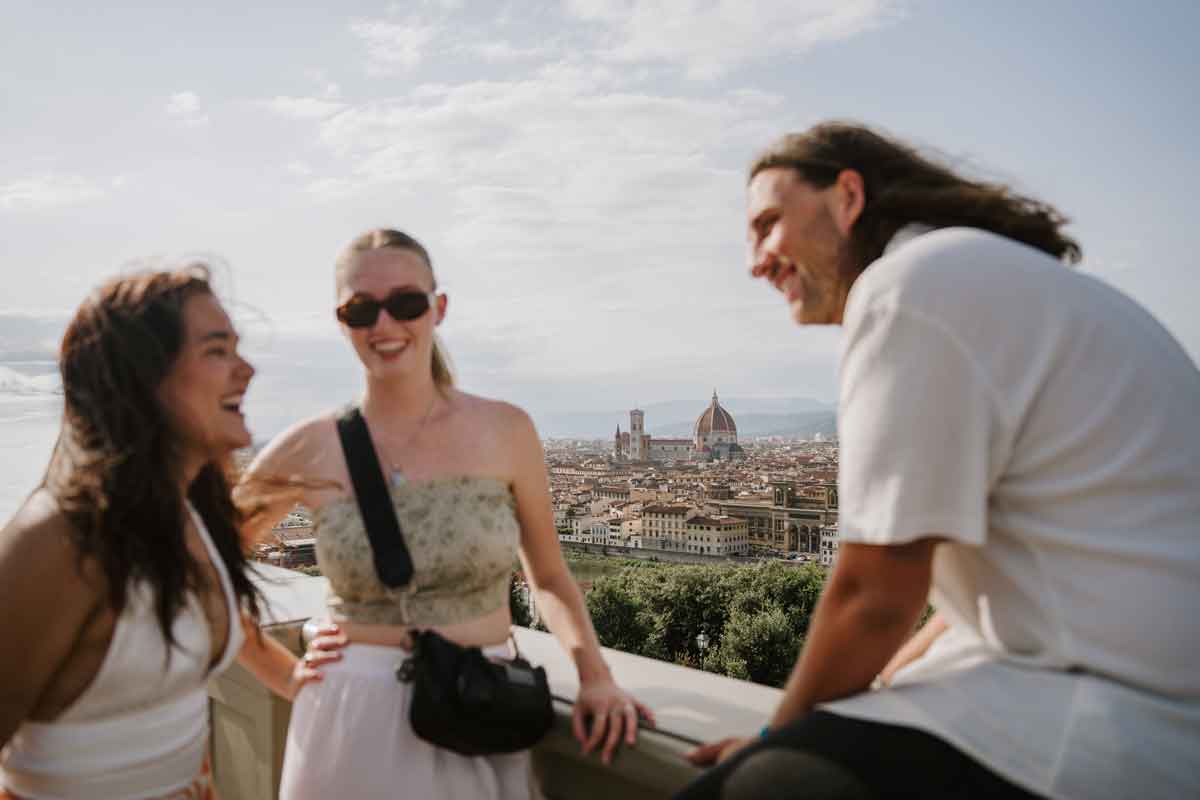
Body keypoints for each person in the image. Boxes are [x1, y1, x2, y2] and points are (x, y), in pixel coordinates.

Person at [677, 122, 1200, 799]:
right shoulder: (992, 276)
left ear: (847, 197)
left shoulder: (908, 287)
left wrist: (774, 735)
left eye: (768, 223)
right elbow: (981, 594)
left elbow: (874, 592)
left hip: (1108, 715)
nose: (755, 260)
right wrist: (880, 685)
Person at [238, 229, 653, 799]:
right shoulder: (308, 447)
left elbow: (550, 578)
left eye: (405, 303)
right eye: (361, 309)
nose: (383, 325)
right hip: (348, 715)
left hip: (478, 707)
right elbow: (198, 566)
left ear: (439, 308)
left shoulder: (507, 431)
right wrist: (276, 669)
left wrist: (595, 675)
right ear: (340, 322)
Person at [0, 266, 331, 800]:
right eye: (217, 350)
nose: (246, 370)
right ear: (143, 377)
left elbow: (210, 623)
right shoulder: (62, 541)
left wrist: (311, 684)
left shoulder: (192, 521)